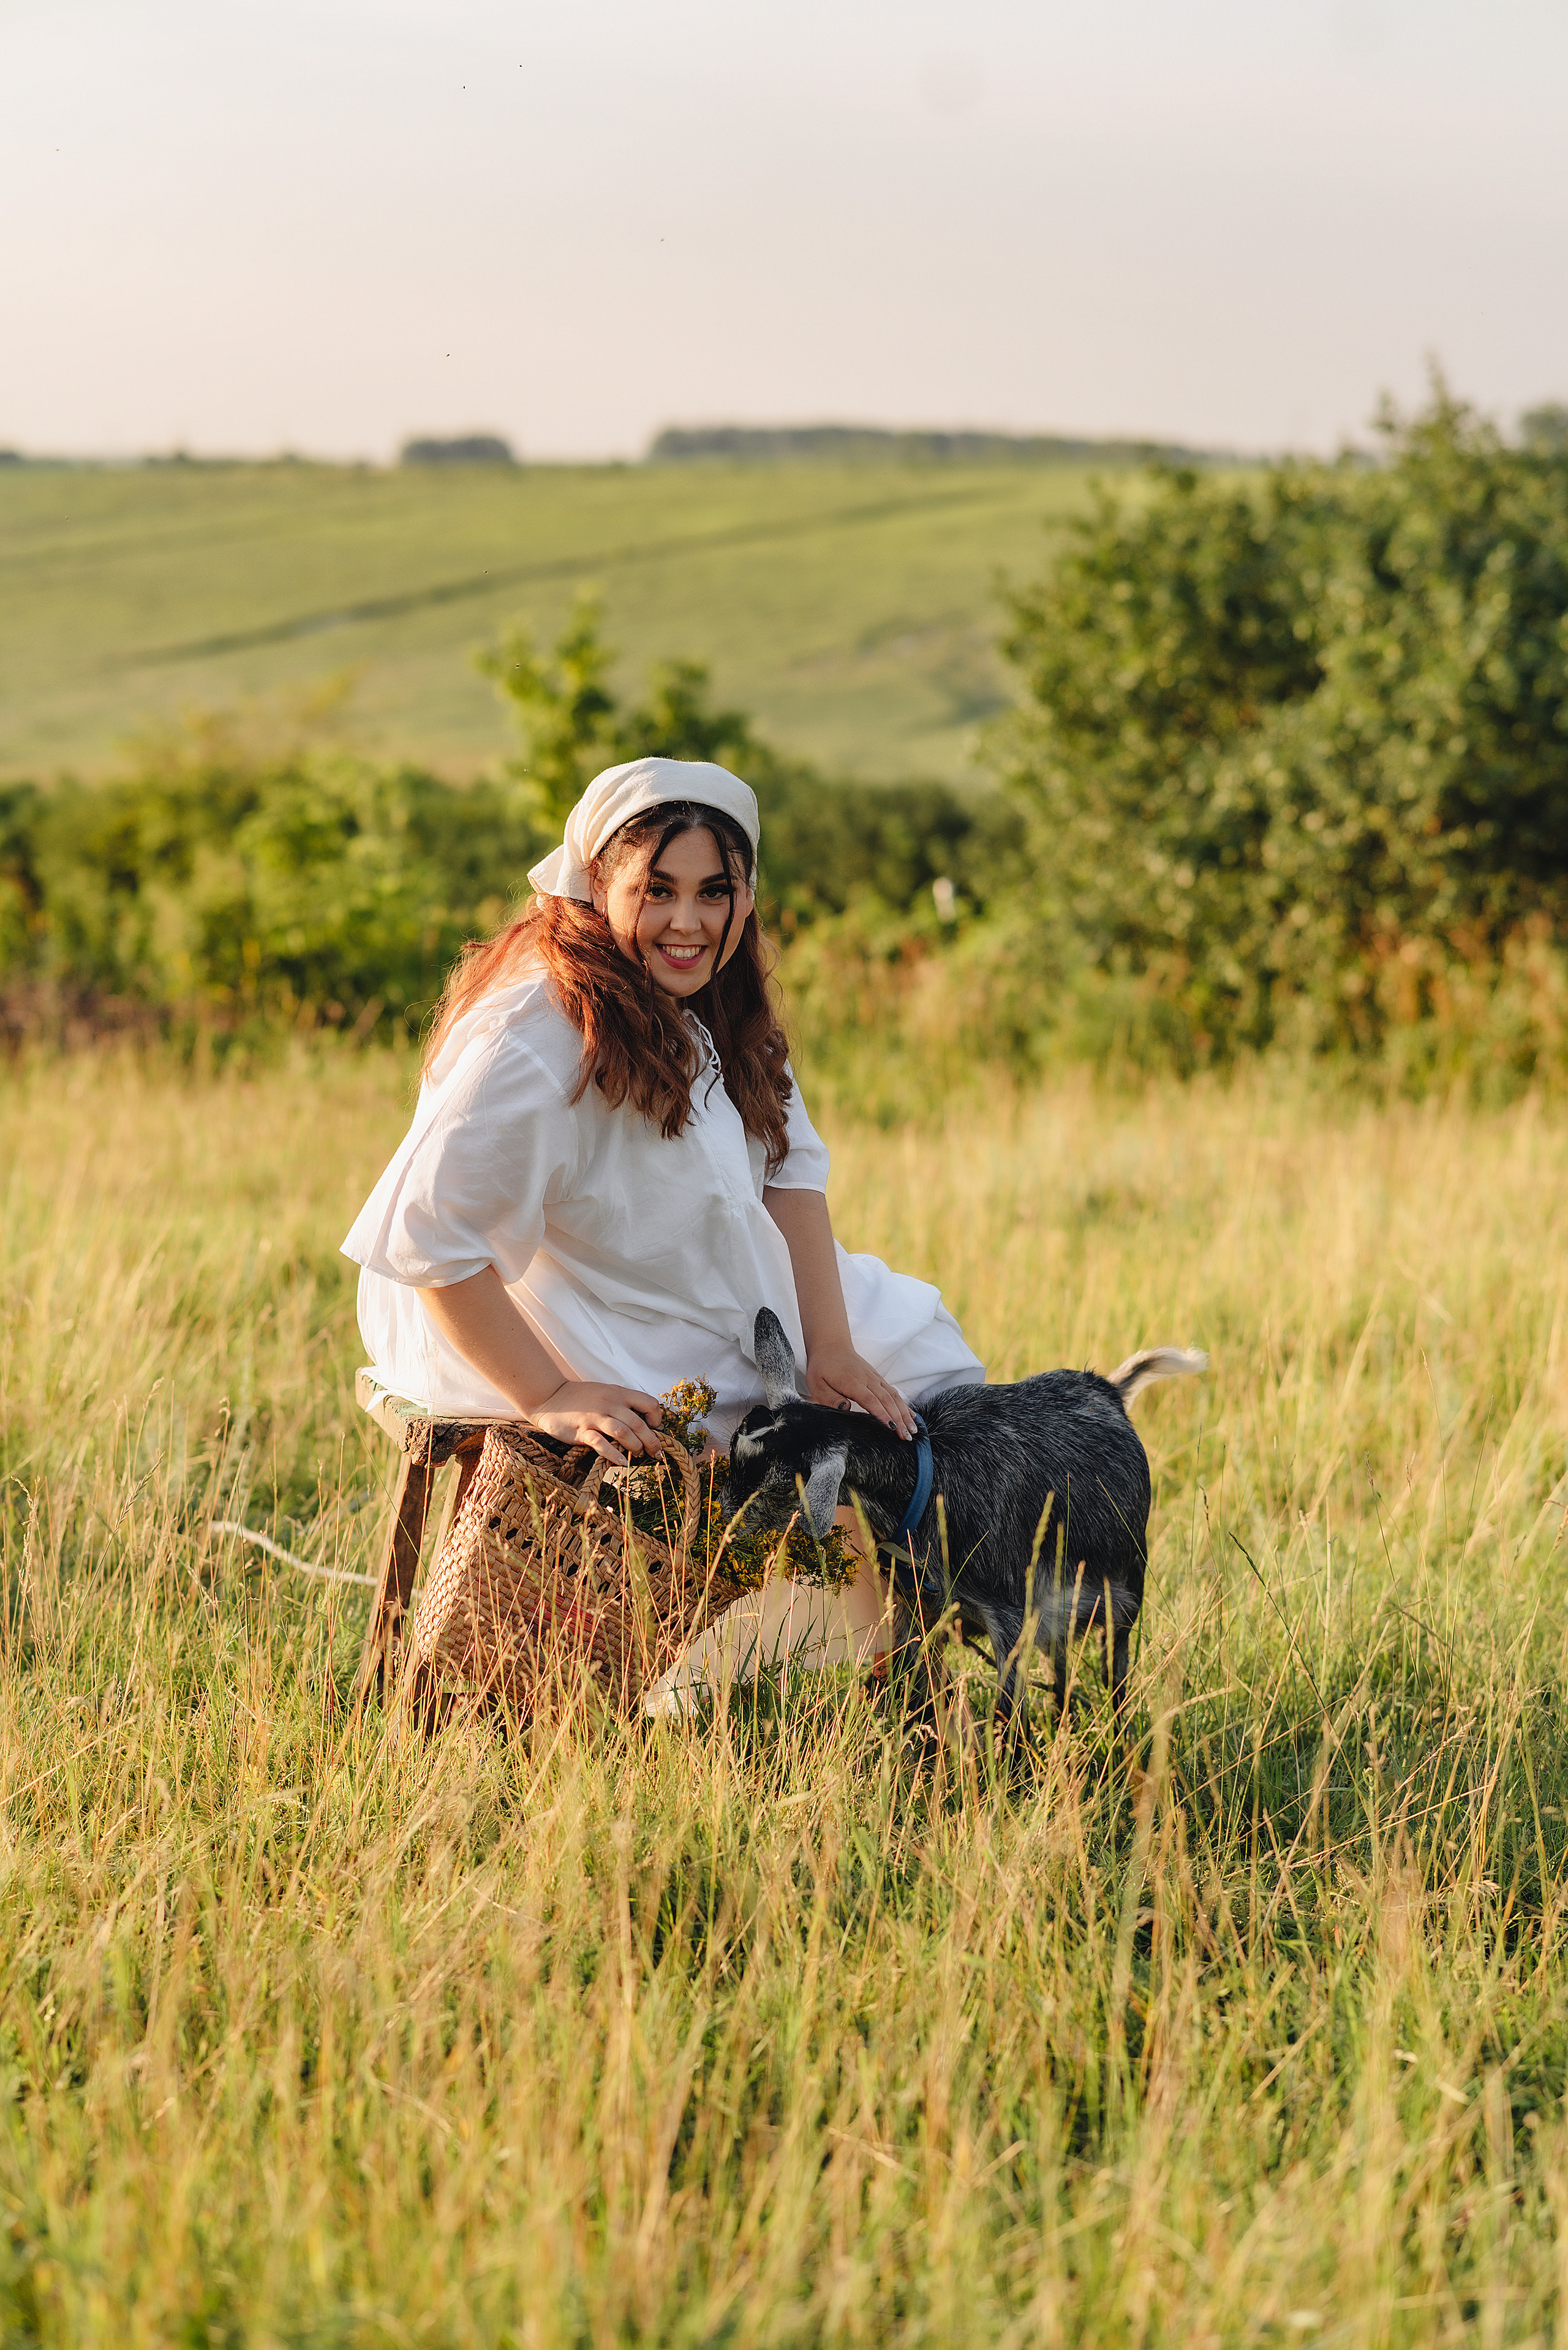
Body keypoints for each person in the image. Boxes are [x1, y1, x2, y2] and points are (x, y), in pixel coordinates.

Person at [342, 756, 984, 1693]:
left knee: (925, 1369)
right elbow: (431, 1240)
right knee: (770, 1425)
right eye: (659, 890)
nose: (688, 922)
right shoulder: (540, 1029)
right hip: (540, 1304)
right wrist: (551, 1389)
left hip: (692, 1270)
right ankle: (769, 1675)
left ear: (745, 897)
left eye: (715, 891)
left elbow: (791, 1173)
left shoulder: (718, 1000)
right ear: (601, 884)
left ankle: (872, 1664)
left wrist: (830, 1343)